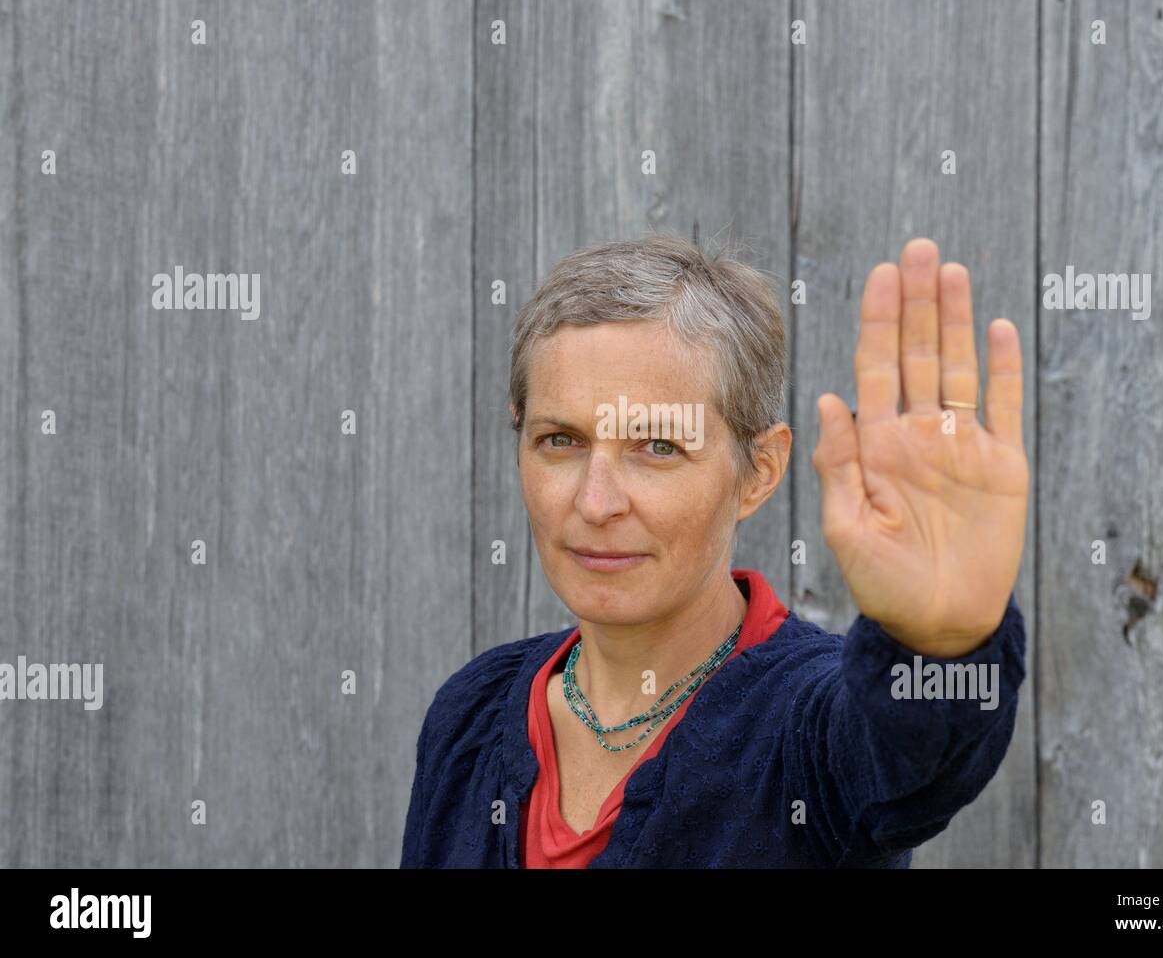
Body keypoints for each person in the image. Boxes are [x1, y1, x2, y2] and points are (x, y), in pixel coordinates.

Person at [401, 233, 1029, 867]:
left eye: (658, 447)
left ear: (758, 471)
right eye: (561, 440)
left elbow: (910, 758)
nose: (596, 503)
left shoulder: (805, 733)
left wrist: (942, 644)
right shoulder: (470, 716)